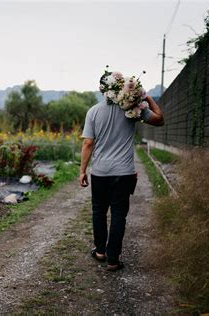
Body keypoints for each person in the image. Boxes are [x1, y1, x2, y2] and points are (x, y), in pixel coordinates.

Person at [79, 80, 164, 271]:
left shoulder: (93, 111)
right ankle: (113, 260)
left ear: (102, 90)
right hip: (124, 173)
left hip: (100, 172)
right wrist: (147, 98)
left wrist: (82, 171)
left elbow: (87, 144)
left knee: (98, 212)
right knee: (118, 215)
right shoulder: (133, 109)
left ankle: (100, 251)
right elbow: (160, 119)